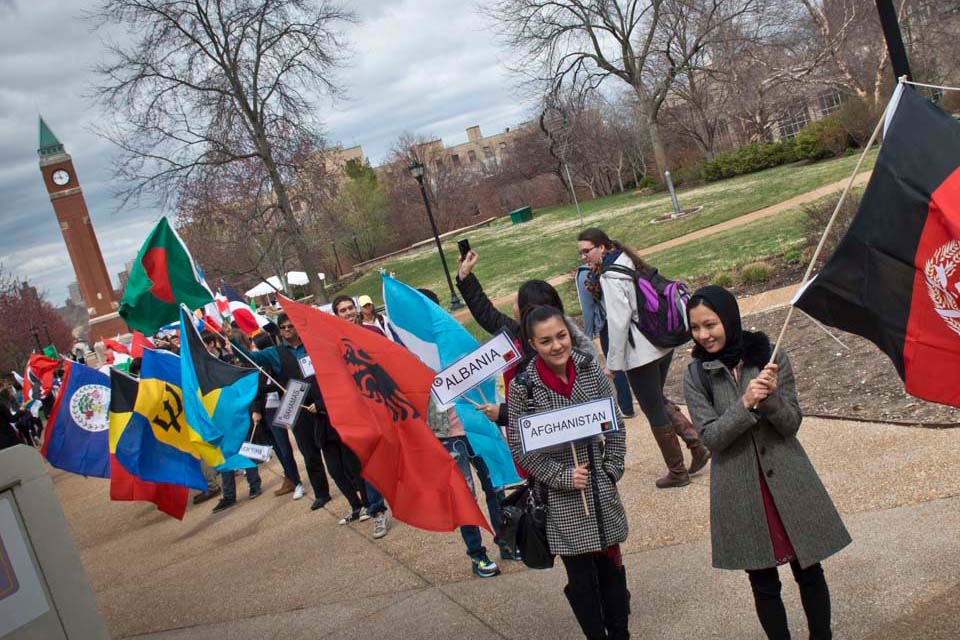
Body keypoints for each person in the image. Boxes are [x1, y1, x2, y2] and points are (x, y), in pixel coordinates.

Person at [683, 285, 850, 640]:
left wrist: (771, 399)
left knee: (809, 571)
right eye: (695, 327)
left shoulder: (772, 356)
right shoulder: (695, 375)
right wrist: (743, 404)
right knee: (763, 583)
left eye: (710, 324)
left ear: (728, 318)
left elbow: (791, 424)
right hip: (740, 488)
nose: (704, 335)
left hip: (787, 480)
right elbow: (711, 438)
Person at [507, 305, 630, 639]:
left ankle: (620, 633)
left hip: (599, 487)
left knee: (612, 570)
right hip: (562, 497)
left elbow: (614, 423)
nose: (557, 346)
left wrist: (612, 467)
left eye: (561, 336)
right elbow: (521, 448)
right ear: (533, 344)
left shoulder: (589, 368)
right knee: (581, 579)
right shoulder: (523, 387)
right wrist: (562, 476)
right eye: (545, 341)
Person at [577, 227, 709, 488]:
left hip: (641, 354)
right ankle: (697, 445)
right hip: (661, 345)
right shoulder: (629, 261)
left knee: (653, 409)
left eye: (586, 251)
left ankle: (678, 471)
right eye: (581, 253)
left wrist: (612, 364)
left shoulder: (610, 276)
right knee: (657, 398)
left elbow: (618, 322)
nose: (584, 257)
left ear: (602, 247)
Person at [417, 287, 512, 561]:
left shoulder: (454, 339)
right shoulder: (410, 350)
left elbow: (482, 369)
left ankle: (505, 541)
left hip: (476, 425)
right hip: (445, 435)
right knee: (463, 497)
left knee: (495, 486)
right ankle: (476, 553)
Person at [456, 249, 596, 429]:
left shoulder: (563, 356)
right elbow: (486, 314)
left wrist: (503, 413)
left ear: (527, 310)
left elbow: (546, 411)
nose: (556, 346)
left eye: (516, 302)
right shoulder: (526, 334)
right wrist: (465, 277)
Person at [232, 314, 334, 512]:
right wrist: (231, 339)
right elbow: (250, 358)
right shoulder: (274, 353)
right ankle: (322, 493)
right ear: (279, 330)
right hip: (296, 403)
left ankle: (350, 482)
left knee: (332, 446)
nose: (287, 330)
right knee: (309, 452)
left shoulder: (311, 346)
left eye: (290, 326)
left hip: (321, 400)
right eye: (283, 327)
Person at [332, 295, 391, 538]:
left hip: (383, 404)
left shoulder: (371, 332)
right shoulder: (334, 344)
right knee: (370, 460)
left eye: (349, 308)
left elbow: (389, 361)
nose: (347, 313)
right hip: (358, 410)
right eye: (341, 310)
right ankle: (377, 511)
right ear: (335, 315)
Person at [576, 263, 635, 419]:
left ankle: (626, 406)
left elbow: (587, 308)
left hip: (607, 325)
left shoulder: (584, 274)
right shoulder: (614, 265)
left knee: (615, 365)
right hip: (628, 319)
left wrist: (587, 335)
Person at [250, 332, 305, 501]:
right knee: (279, 448)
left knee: (287, 447)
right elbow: (256, 389)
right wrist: (256, 409)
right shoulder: (258, 367)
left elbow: (281, 386)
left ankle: (297, 482)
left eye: (254, 345)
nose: (252, 348)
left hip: (285, 406)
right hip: (267, 412)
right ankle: (290, 479)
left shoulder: (275, 361)